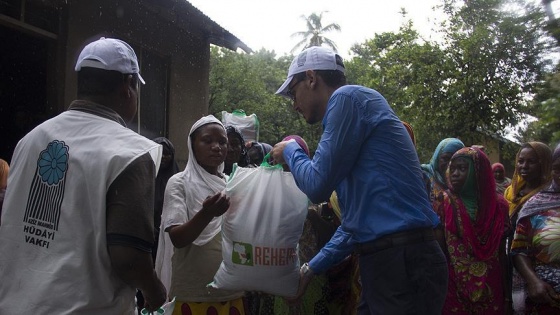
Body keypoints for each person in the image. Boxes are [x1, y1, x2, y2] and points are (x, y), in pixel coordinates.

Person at [270, 46, 447, 314]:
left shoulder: (346, 98)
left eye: (293, 93)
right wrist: (309, 270)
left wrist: (289, 149)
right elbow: (354, 225)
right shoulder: (355, 120)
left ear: (311, 78)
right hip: (395, 260)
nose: (294, 104)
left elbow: (316, 186)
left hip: (400, 260)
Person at [0, 37, 166, 314]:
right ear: (128, 87)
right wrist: (154, 289)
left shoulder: (30, 140)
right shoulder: (131, 152)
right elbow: (129, 258)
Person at [156, 115, 246, 315]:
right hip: (193, 294)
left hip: (231, 291)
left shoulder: (232, 184)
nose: (217, 147)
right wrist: (207, 214)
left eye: (222, 142)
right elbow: (178, 238)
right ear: (192, 145)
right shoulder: (179, 183)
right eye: (207, 140)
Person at [437, 147, 511, 314]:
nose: (454, 173)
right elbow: (441, 252)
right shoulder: (444, 202)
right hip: (454, 286)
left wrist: (507, 296)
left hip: (491, 285)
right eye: (452, 168)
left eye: (462, 168)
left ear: (479, 172)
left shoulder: (498, 206)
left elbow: (501, 252)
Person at [511, 144, 560, 314]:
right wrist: (533, 281)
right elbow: (519, 249)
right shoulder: (536, 205)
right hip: (546, 296)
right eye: (557, 169)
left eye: (531, 161)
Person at [421, 138, 465, 204]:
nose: (450, 164)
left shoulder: (465, 183)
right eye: (446, 158)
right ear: (437, 158)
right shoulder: (423, 176)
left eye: (455, 160)